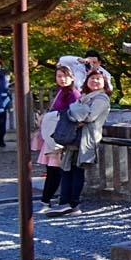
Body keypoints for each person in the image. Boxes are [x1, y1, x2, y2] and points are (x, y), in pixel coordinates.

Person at [47, 70, 110, 216]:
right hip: (75, 137)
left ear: (104, 82)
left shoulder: (101, 98)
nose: (95, 81)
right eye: (92, 78)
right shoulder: (85, 96)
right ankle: (65, 203)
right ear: (87, 81)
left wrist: (74, 110)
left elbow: (88, 116)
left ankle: (73, 204)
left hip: (85, 138)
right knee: (67, 170)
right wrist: (75, 111)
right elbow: (74, 112)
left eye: (98, 79)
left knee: (76, 171)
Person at [37, 64, 81, 210]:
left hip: (62, 136)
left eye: (65, 76)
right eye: (59, 76)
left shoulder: (74, 94)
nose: (62, 79)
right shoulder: (61, 92)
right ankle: (48, 200)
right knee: (52, 170)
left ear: (72, 77)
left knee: (55, 170)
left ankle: (48, 200)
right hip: (55, 135)